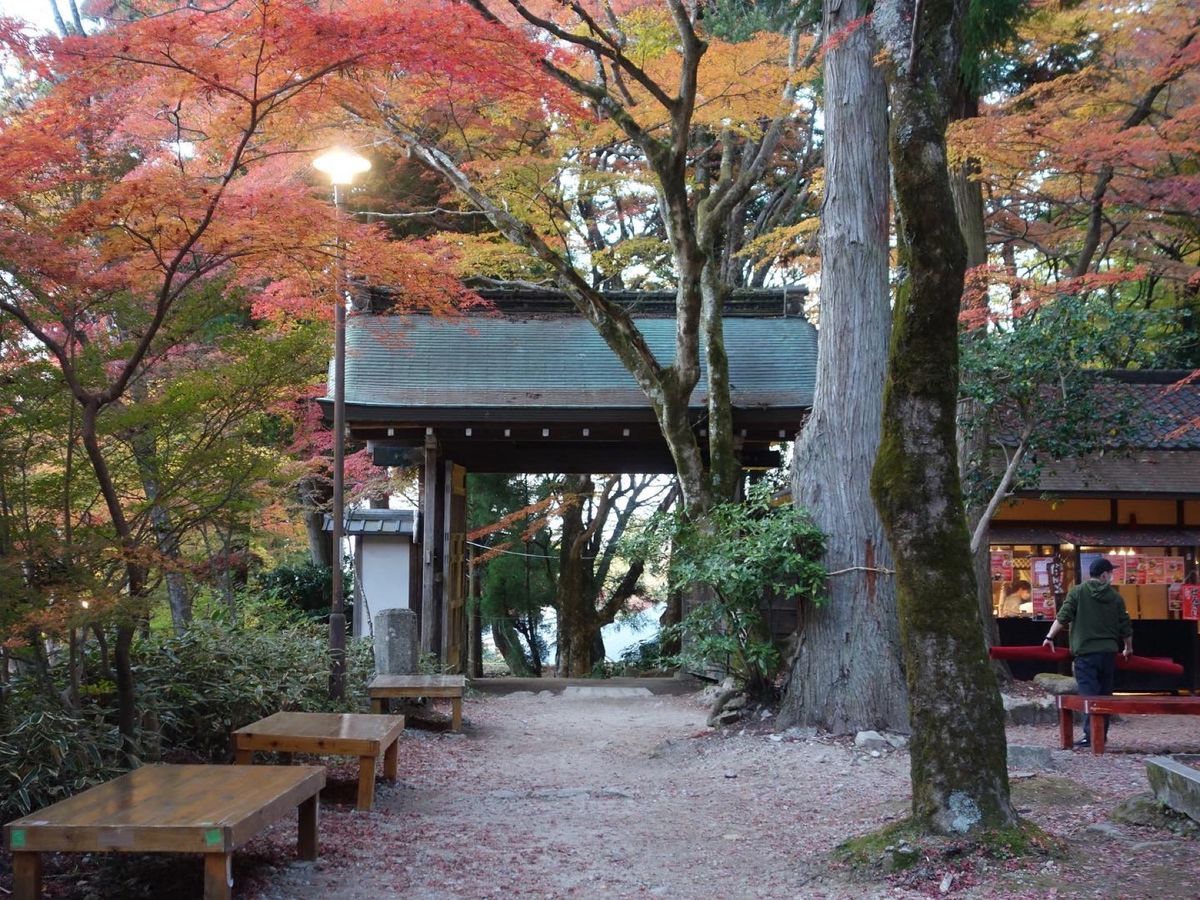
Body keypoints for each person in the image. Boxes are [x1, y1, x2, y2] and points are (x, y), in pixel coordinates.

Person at [1042, 558, 1132, 748]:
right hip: (1108, 653)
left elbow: (1063, 616)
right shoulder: (1116, 598)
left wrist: (1049, 637)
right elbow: (1125, 626)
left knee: (1088, 695)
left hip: (1085, 653)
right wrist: (1128, 647)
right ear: (1104, 575)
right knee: (1105, 695)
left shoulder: (1078, 592)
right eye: (1111, 573)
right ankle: (1101, 735)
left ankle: (1091, 737)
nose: (1112, 577)